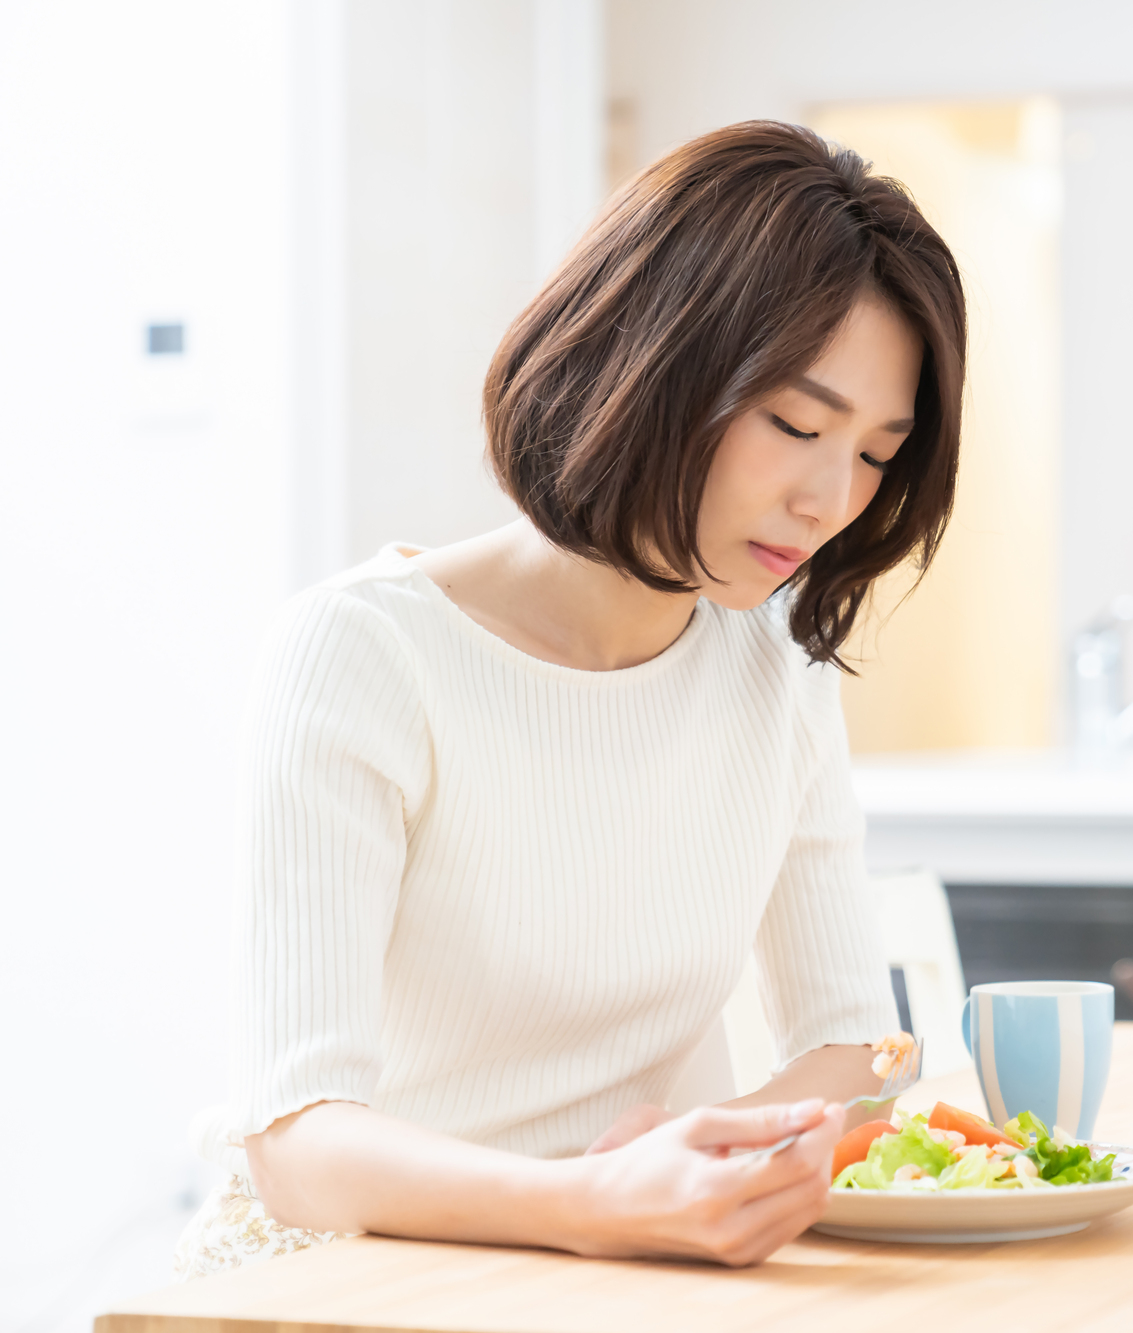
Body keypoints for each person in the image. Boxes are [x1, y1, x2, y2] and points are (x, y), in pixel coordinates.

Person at [174, 121, 966, 1276]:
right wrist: (592, 1199)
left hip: (610, 1272)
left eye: (876, 453)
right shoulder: (365, 654)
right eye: (794, 425)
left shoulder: (771, 669)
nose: (827, 497)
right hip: (340, 1276)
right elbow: (301, 1144)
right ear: (651, 364)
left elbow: (853, 1040)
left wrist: (709, 1163)